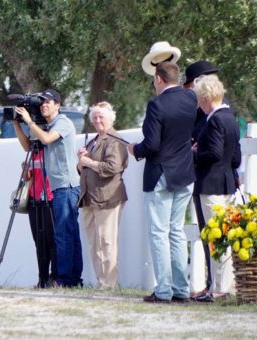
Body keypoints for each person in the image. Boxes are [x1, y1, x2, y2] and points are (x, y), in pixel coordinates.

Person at [127, 61, 196, 303]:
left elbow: (152, 144)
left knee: (159, 233)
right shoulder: (191, 100)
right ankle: (181, 289)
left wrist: (135, 149)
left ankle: (164, 290)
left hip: (161, 175)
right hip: (185, 174)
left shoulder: (156, 105)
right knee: (176, 232)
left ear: (158, 79)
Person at [14, 89, 83, 288]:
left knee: (62, 235)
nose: (43, 105)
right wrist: (17, 124)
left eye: (48, 102)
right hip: (61, 186)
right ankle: (73, 279)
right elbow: (29, 147)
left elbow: (45, 139)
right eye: (41, 102)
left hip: (66, 186)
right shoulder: (48, 125)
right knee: (70, 234)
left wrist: (29, 121)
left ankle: (62, 279)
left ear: (57, 105)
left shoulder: (62, 122)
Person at [192, 74, 241, 302]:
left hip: (211, 183)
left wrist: (195, 153)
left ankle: (219, 288)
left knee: (216, 236)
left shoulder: (215, 120)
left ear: (204, 98)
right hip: (226, 182)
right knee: (223, 236)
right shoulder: (230, 117)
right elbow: (236, 157)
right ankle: (223, 285)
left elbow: (213, 154)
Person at [77, 102, 128, 289]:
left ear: (110, 118)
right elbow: (82, 167)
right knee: (94, 242)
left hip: (108, 197)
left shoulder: (115, 140)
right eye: (95, 117)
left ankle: (109, 283)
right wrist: (81, 161)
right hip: (90, 197)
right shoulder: (94, 140)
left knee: (106, 241)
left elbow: (113, 167)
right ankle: (102, 281)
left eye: (101, 117)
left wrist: (88, 162)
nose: (97, 120)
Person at [182, 60, 220, 297]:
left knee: (212, 233)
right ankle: (209, 282)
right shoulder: (195, 112)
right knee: (205, 233)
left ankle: (214, 283)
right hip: (198, 176)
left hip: (210, 177)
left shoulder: (210, 113)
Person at [13, 112, 57, 289]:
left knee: (52, 240)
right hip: (34, 198)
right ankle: (42, 279)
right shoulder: (34, 151)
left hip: (50, 198)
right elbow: (29, 174)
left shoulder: (50, 148)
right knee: (39, 241)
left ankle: (54, 278)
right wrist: (26, 171)